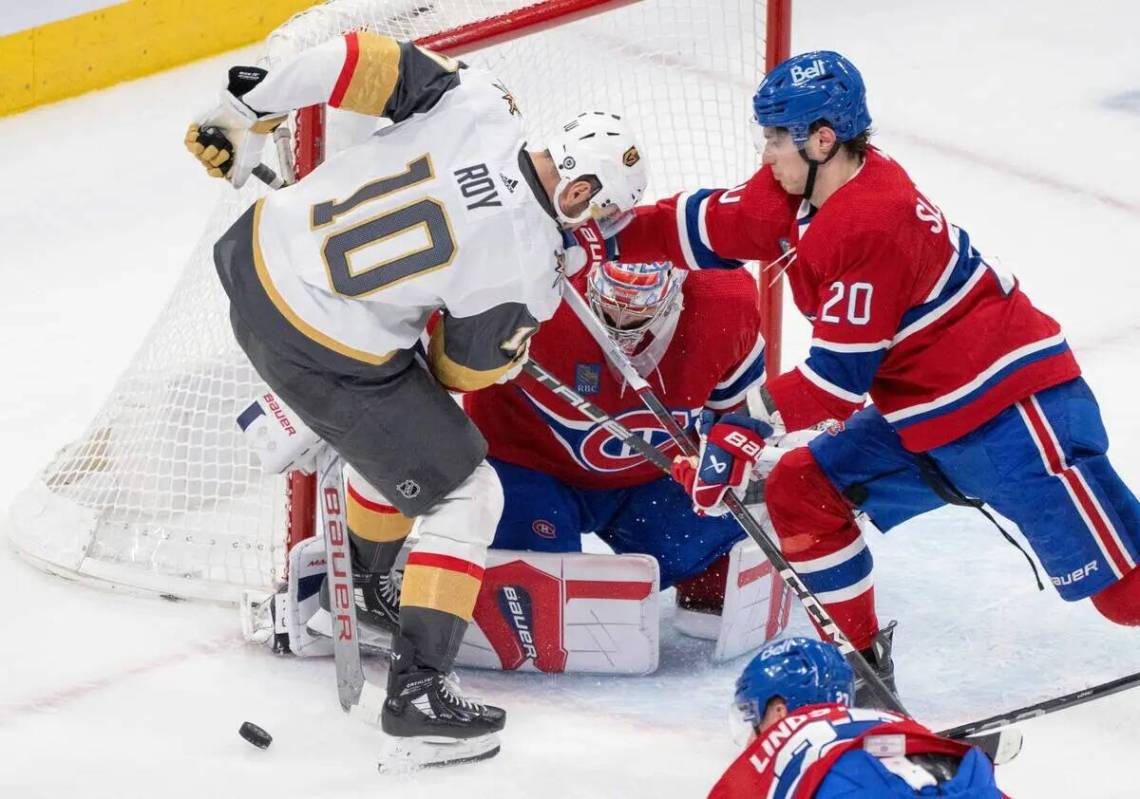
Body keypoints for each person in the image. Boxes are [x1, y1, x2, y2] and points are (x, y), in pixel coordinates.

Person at [616, 50, 1140, 703]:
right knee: (803, 488)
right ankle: (865, 675)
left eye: (779, 137)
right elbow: (710, 225)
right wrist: (600, 235)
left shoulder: (872, 219)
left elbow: (834, 383)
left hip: (1012, 412)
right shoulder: (796, 186)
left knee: (1125, 597)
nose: (768, 150)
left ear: (823, 140)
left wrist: (739, 423)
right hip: (924, 419)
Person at [185, 30, 646, 766]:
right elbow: (458, 370)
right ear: (581, 191)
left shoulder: (481, 101)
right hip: (319, 349)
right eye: (597, 209)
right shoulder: (529, 269)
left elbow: (363, 58)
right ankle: (419, 693)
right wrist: (515, 333)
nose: (592, 224)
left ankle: (364, 585)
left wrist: (251, 109)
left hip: (254, 256)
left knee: (415, 426)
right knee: (468, 487)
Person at [463, 258, 768, 612]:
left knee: (708, 546)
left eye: (639, 309)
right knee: (532, 584)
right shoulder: (531, 272)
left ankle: (701, 567)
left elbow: (738, 416)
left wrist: (722, 461)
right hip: (527, 464)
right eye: (610, 306)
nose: (622, 322)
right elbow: (436, 352)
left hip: (654, 475)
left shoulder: (722, 298)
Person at [710, 636, 1005, 797]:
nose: (751, 737)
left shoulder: (778, 753)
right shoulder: (887, 728)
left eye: (752, 718)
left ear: (778, 711)